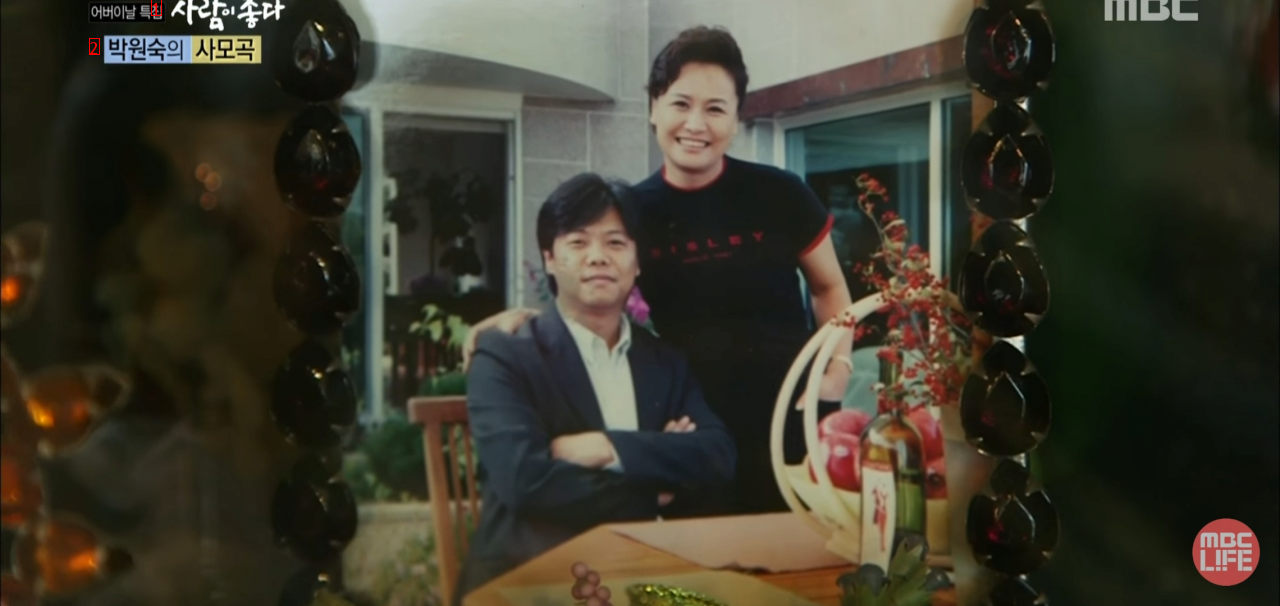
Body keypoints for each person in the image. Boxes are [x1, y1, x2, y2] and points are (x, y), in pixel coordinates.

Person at [465, 26, 855, 515]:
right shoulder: (634, 212)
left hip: (792, 411)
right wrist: (520, 319)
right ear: (653, 108)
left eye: (715, 108)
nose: (696, 123)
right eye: (680, 103)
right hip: (693, 420)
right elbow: (597, 289)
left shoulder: (780, 193)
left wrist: (836, 367)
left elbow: (829, 286)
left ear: (736, 118)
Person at [456, 173, 737, 604]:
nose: (598, 257)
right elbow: (525, 481)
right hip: (531, 576)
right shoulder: (505, 354)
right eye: (578, 242)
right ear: (549, 258)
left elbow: (717, 455)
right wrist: (651, 484)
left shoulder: (665, 361)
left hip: (634, 575)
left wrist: (607, 448)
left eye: (616, 243)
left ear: (638, 261)